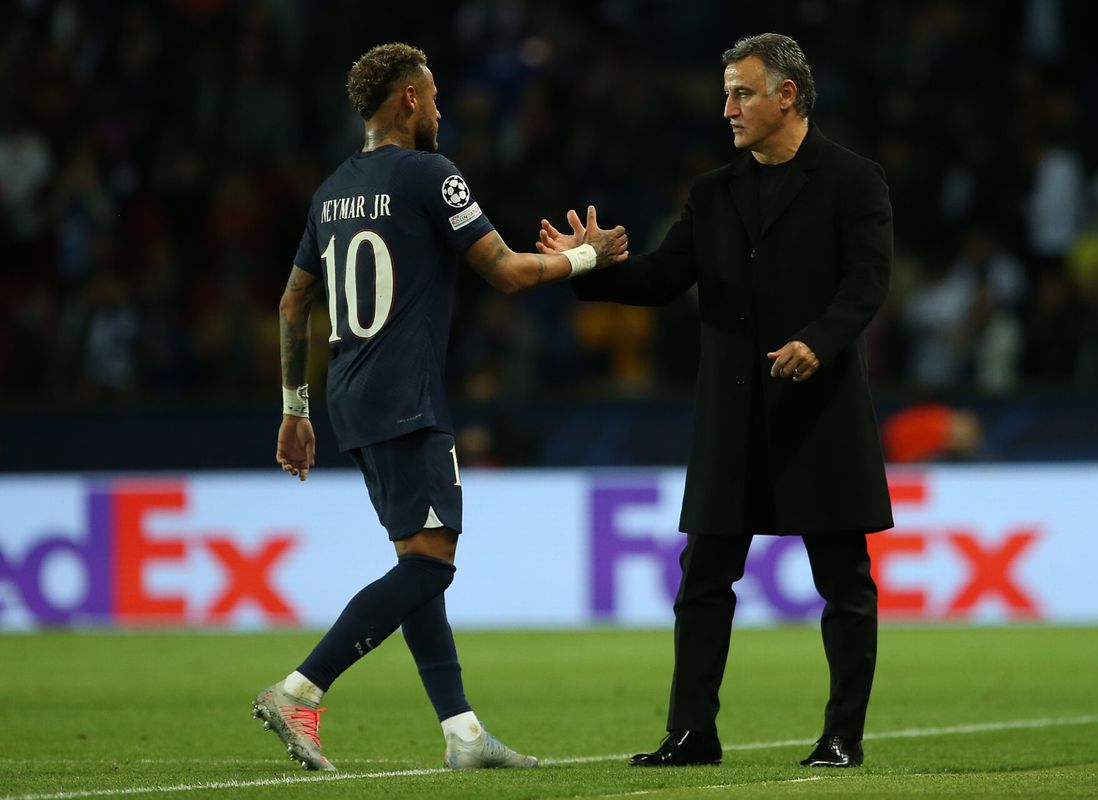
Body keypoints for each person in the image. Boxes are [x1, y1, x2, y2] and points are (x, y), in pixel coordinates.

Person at [257, 42, 627, 773]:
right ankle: (299, 688)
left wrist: (294, 408)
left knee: (414, 560)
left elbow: (294, 301)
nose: (440, 110)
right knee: (432, 566)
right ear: (409, 101)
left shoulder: (331, 189)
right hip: (406, 396)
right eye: (433, 96)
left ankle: (462, 734)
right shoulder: (431, 174)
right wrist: (588, 257)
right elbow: (510, 273)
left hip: (349, 396)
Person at [541, 33, 893, 769]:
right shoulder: (714, 192)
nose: (726, 108)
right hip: (732, 421)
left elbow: (866, 283)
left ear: (787, 96)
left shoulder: (853, 181)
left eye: (742, 92)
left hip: (817, 411)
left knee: (844, 585)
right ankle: (692, 733)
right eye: (726, 92)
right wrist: (588, 263)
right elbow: (664, 279)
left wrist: (819, 341)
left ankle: (841, 738)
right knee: (703, 582)